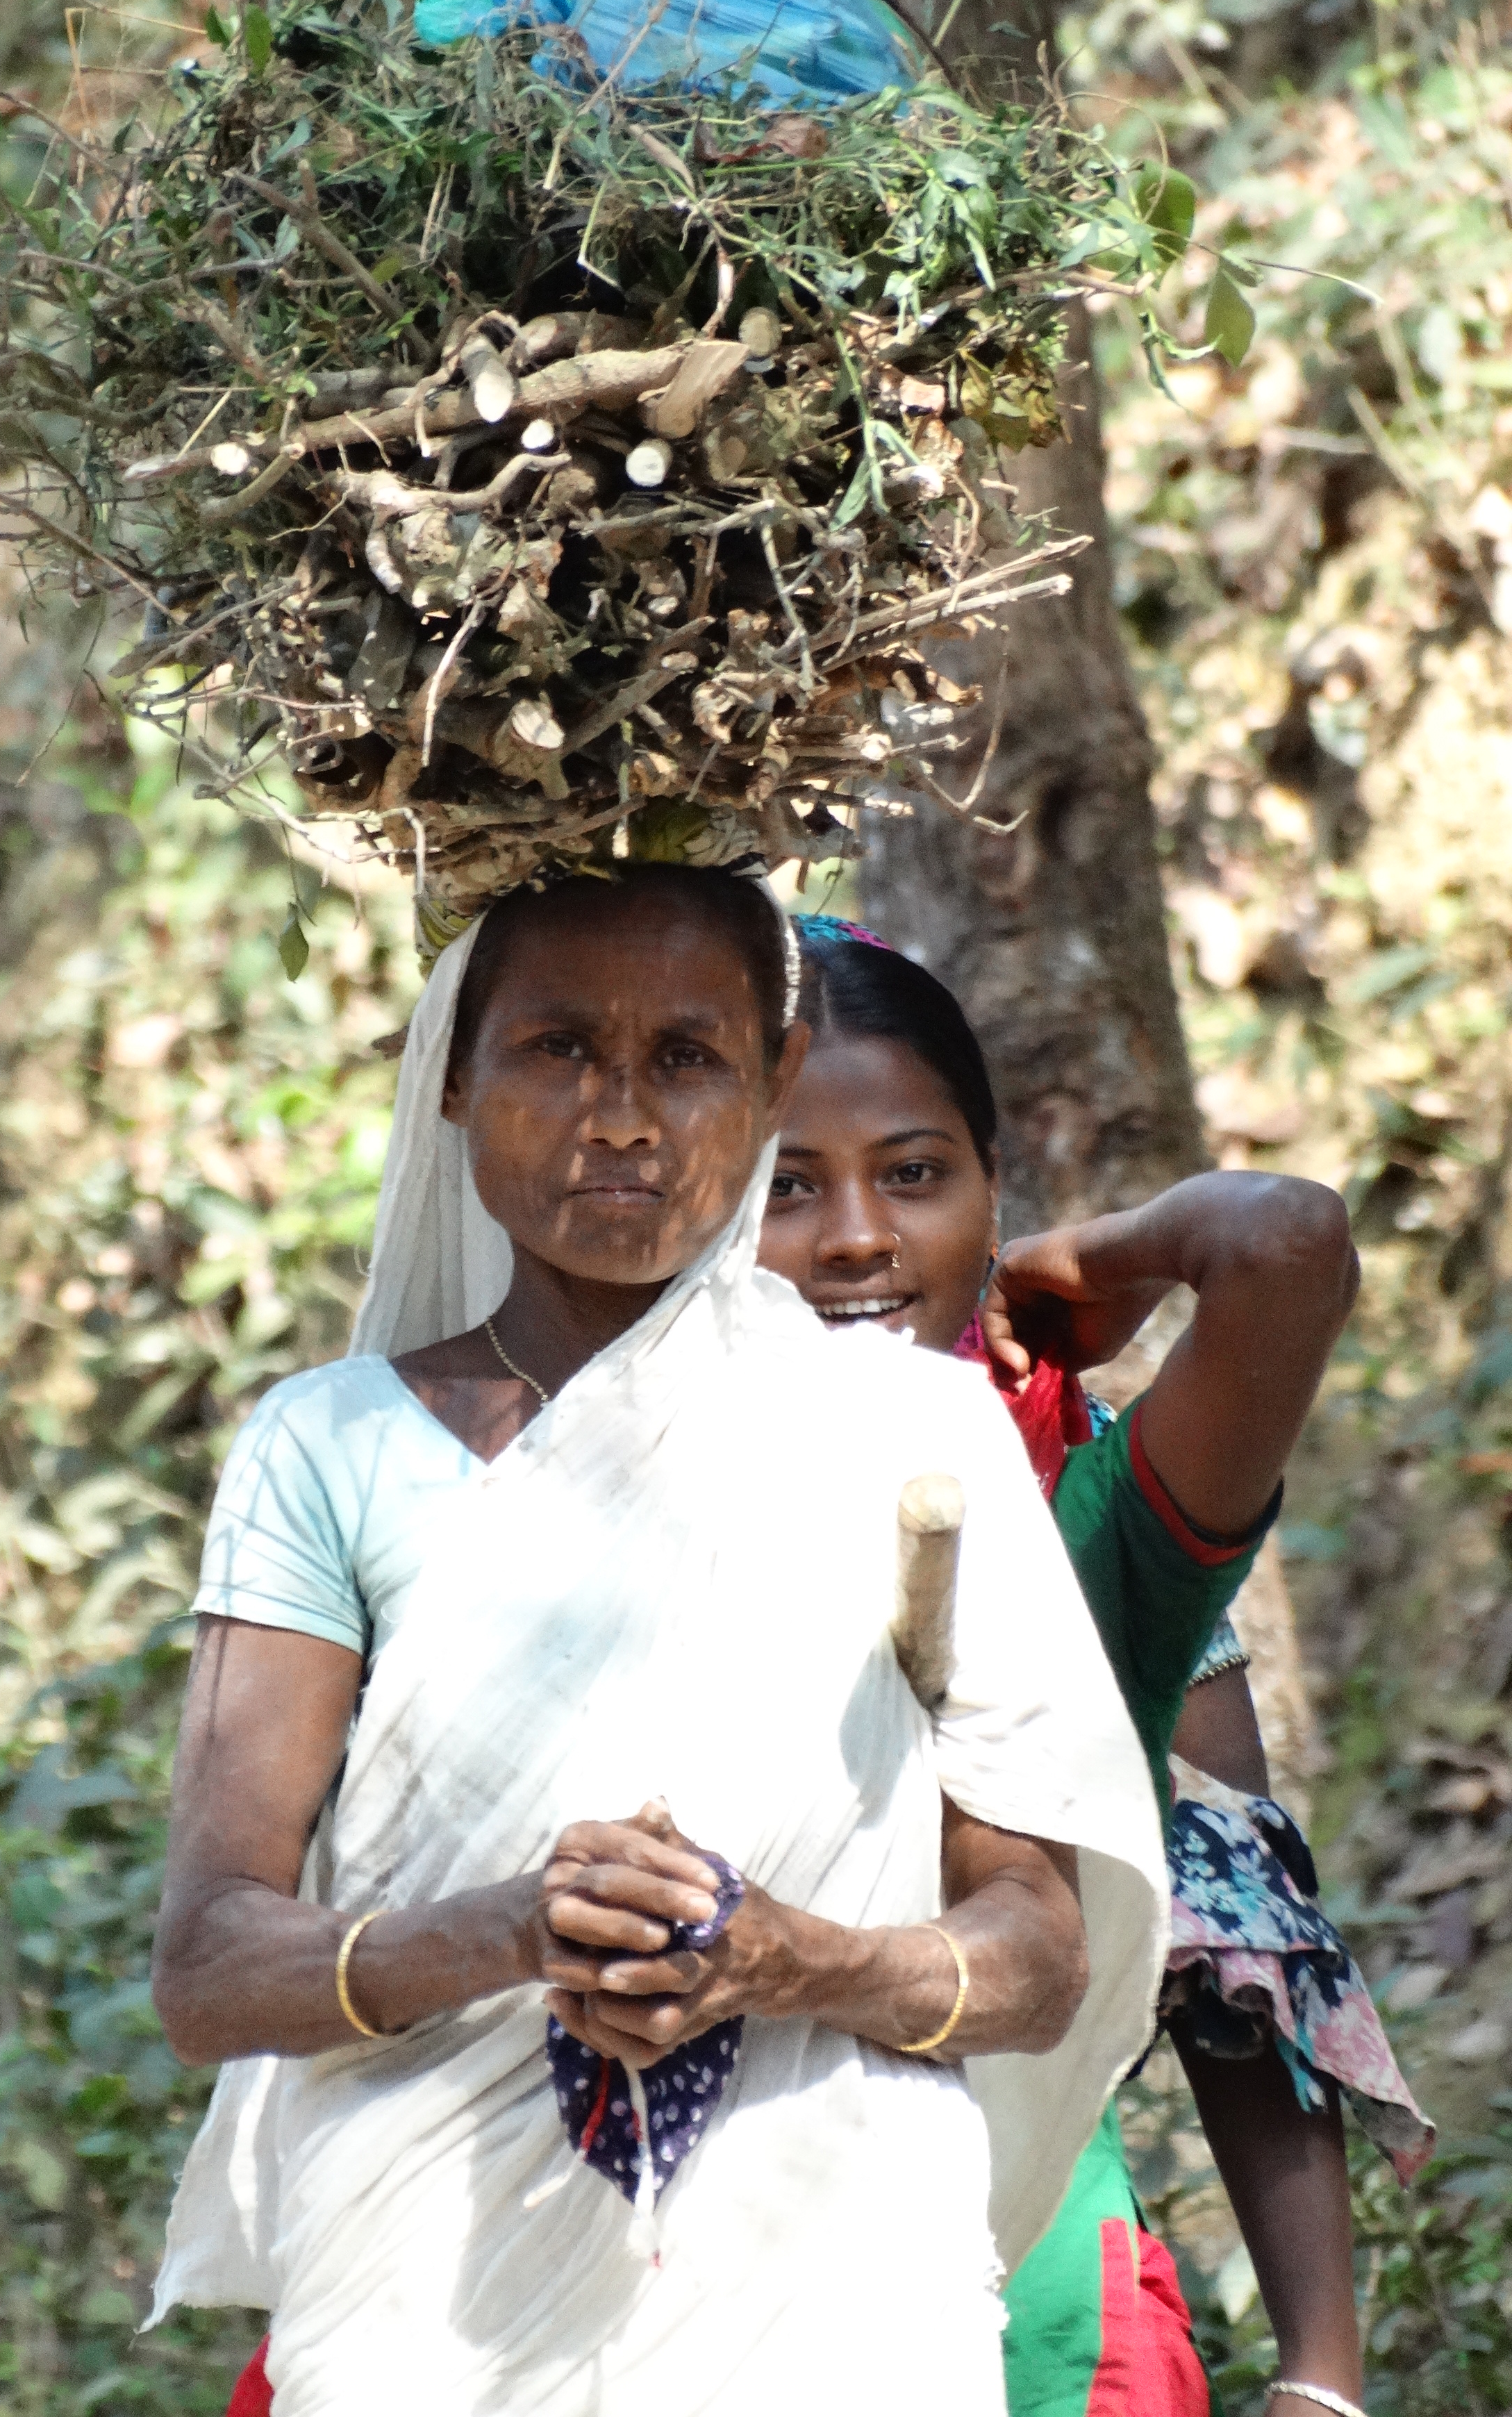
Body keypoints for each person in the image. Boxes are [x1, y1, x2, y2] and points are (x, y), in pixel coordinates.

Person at [146, 865, 1170, 2417]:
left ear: (765, 1090)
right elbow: (212, 1963)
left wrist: (791, 1959)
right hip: (427, 2311)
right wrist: (506, 1931)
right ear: (453, 1085)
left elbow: (1033, 1954)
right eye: (559, 1049)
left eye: (685, 1059)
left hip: (837, 2307)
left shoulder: (915, 1436)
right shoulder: (327, 1450)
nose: (621, 1115)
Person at [758, 915, 1434, 2417]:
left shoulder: (1075, 1530)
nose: (858, 1234)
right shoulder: (559, 1519)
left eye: (917, 1172)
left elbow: (1285, 1243)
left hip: (1031, 2324)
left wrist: (1094, 1264)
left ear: (992, 1188)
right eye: (781, 1186)